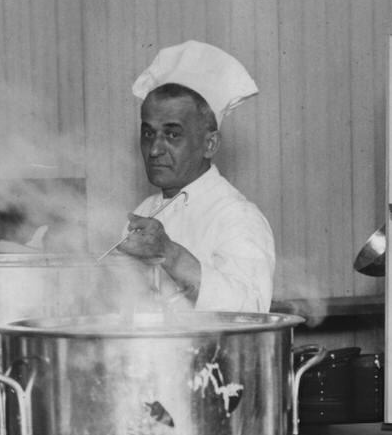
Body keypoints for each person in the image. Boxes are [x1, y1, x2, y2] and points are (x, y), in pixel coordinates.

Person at [116, 40, 275, 312]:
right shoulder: (145, 211)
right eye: (148, 133)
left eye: (172, 134)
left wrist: (170, 253)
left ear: (210, 144)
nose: (154, 149)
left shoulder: (236, 216)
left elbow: (251, 311)